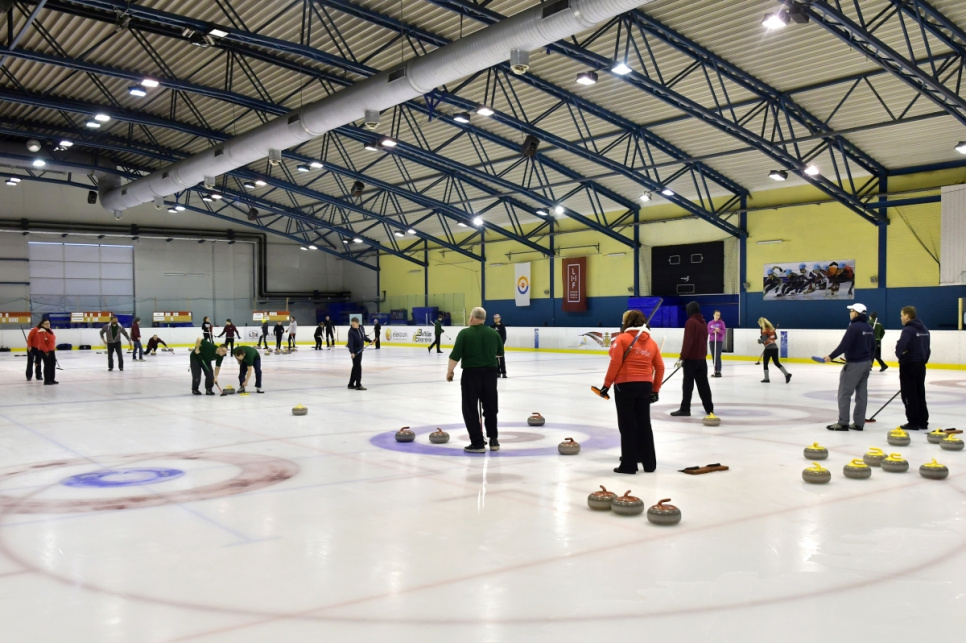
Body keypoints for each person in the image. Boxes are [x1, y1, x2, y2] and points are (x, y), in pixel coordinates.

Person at [598, 310, 664, 474]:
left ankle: (629, 464)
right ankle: (649, 463)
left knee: (627, 425)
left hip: (625, 385)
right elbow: (660, 367)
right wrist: (655, 390)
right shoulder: (652, 343)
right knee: (644, 424)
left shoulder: (622, 339)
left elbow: (615, 362)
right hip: (645, 386)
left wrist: (606, 385)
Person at [446, 307, 504, 453]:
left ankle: (477, 443)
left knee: (470, 408)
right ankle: (494, 440)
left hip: (471, 374)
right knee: (491, 407)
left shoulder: (465, 333)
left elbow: (455, 355)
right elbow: (499, 353)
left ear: (471, 318)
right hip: (490, 374)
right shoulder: (493, 333)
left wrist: (450, 371)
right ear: (484, 319)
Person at [823, 303, 875, 431]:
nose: (850, 313)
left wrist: (831, 356)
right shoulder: (869, 327)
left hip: (854, 364)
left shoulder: (854, 327)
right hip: (866, 363)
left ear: (856, 313)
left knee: (844, 394)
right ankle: (859, 423)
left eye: (851, 311)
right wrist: (871, 362)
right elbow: (873, 346)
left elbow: (844, 345)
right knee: (862, 395)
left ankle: (843, 423)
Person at [670, 301, 716, 422]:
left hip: (691, 360)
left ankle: (685, 409)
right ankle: (709, 408)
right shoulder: (703, 322)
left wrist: (682, 357)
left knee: (687, 385)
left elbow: (688, 341)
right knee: (704, 385)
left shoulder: (691, 322)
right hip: (701, 360)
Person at [896, 306, 931, 431]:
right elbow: (927, 349)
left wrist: (900, 355)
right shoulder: (925, 329)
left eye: (901, 315)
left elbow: (900, 347)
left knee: (909, 393)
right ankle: (923, 421)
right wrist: (923, 359)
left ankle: (913, 422)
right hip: (920, 365)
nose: (901, 318)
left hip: (909, 365)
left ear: (907, 316)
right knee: (919, 392)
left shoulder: (908, 330)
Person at [758, 317, 791, 384]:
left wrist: (759, 340)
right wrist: (768, 338)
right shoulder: (772, 329)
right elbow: (775, 337)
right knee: (777, 363)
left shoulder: (764, 330)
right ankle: (787, 374)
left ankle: (766, 378)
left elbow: (764, 339)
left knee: (765, 363)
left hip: (768, 348)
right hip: (775, 348)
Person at [346, 318, 372, 390]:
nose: (352, 325)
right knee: (358, 367)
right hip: (355, 352)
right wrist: (352, 352)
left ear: (358, 323)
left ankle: (351, 384)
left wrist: (369, 341)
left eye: (353, 324)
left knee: (355, 367)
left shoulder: (361, 328)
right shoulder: (351, 331)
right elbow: (350, 343)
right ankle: (358, 384)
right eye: (352, 324)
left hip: (360, 350)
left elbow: (363, 337)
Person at [35, 320, 58, 385]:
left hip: (51, 350)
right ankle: (47, 381)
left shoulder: (50, 330)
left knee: (52, 364)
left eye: (48, 323)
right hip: (44, 351)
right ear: (42, 325)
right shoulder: (41, 332)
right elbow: (41, 343)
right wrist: (46, 351)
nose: (48, 325)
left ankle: (52, 379)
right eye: (46, 324)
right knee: (47, 365)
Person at [707, 310, 726, 377]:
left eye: (718, 315)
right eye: (716, 315)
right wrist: (713, 330)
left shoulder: (721, 323)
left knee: (717, 356)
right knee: (713, 356)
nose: (717, 316)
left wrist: (719, 331)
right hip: (712, 341)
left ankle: (718, 371)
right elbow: (708, 331)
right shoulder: (710, 323)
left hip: (719, 341)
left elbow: (724, 332)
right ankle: (715, 370)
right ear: (713, 315)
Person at [490, 313, 507, 378]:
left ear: (500, 318)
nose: (496, 319)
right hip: (494, 345)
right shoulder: (492, 327)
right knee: (496, 359)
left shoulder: (502, 326)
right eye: (495, 318)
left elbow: (504, 336)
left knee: (502, 359)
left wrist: (501, 344)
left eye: (497, 318)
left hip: (500, 345)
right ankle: (497, 372)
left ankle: (503, 372)